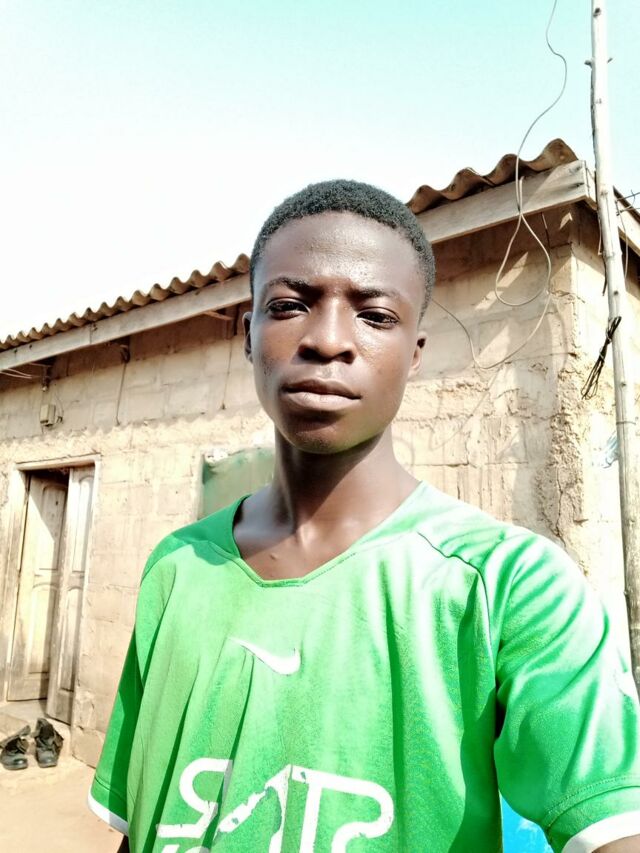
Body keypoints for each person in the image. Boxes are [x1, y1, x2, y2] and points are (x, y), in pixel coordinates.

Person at [88, 180, 640, 852]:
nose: (327, 341)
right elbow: (149, 814)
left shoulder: (511, 586)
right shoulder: (176, 568)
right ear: (248, 334)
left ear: (415, 353)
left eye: (375, 316)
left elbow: (612, 828)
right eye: (288, 306)